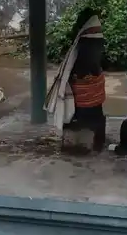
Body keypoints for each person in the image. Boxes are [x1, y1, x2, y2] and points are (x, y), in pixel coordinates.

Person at [45, 8, 107, 152]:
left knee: (76, 108)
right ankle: (97, 141)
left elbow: (76, 64)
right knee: (96, 112)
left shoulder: (82, 39)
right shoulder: (97, 37)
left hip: (80, 94)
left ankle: (75, 136)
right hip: (93, 91)